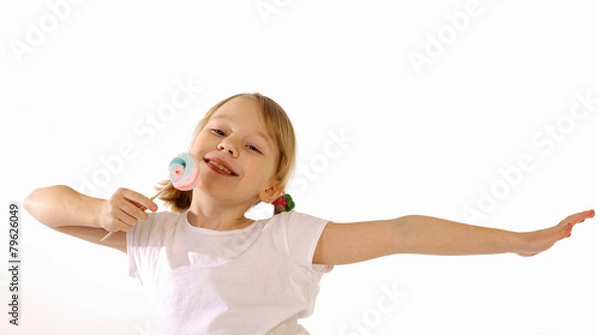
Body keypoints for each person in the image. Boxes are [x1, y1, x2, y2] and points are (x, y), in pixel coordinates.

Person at [24, 92, 595, 334]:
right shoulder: (151, 233)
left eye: (252, 146)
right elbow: (38, 204)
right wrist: (99, 209)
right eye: (220, 132)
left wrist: (522, 240)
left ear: (270, 186)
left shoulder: (287, 238)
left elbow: (404, 231)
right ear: (191, 149)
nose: (228, 146)